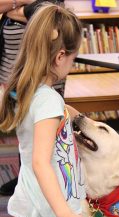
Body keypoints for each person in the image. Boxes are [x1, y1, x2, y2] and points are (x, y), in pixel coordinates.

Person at [0, 3, 91, 217]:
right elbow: (41, 162)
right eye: (73, 57)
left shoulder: (23, 87)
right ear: (60, 56)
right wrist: (66, 216)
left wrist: (76, 120)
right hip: (54, 210)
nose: (72, 64)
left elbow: (53, 115)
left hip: (31, 204)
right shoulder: (48, 101)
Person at [0, 0, 65, 196]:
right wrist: (21, 4)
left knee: (42, 132)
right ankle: (24, 177)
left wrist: (11, 7)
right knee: (24, 129)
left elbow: (44, 13)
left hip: (42, 77)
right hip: (10, 76)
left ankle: (45, 181)